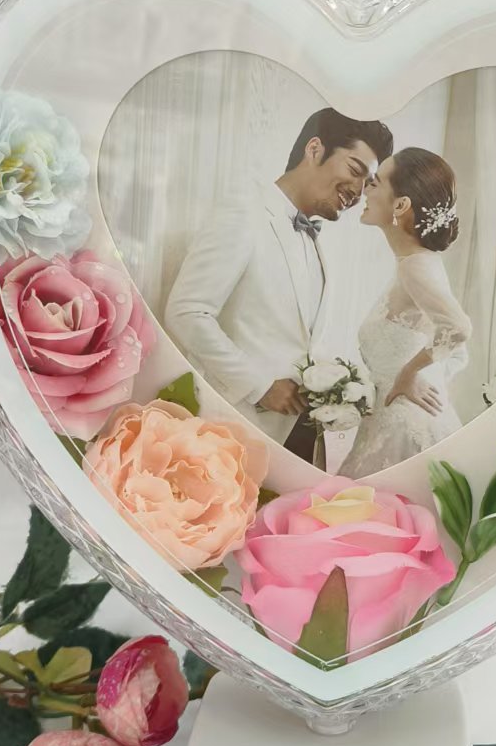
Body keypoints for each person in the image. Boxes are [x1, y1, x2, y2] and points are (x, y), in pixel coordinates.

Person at [164, 107, 393, 459]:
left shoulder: (321, 244)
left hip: (300, 436)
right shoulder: (245, 212)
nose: (359, 191)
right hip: (237, 428)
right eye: (355, 170)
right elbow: (187, 312)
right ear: (314, 149)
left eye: (368, 183)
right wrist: (259, 386)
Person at [340, 148, 472, 477]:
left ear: (400, 205)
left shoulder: (416, 267)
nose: (365, 189)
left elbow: (458, 329)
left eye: (375, 182)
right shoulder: (417, 263)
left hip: (404, 429)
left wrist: (408, 374)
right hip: (391, 421)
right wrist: (428, 377)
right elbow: (457, 354)